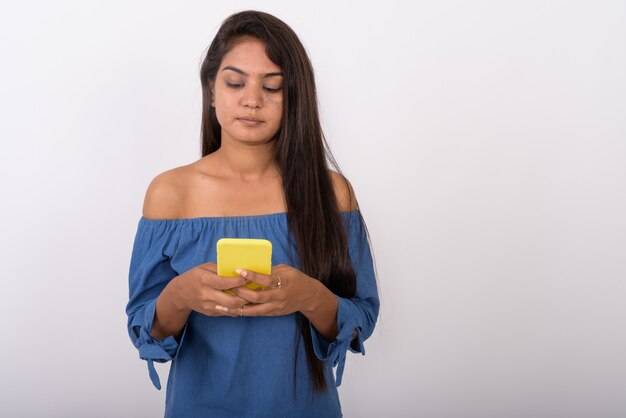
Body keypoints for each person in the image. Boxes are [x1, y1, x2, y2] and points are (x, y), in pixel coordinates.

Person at [125, 10, 379, 417]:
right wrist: (182, 294)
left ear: (294, 96)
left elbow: (361, 317)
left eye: (273, 86)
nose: (252, 100)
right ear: (211, 90)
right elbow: (146, 329)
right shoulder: (169, 193)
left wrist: (308, 295)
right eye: (235, 82)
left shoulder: (331, 193)